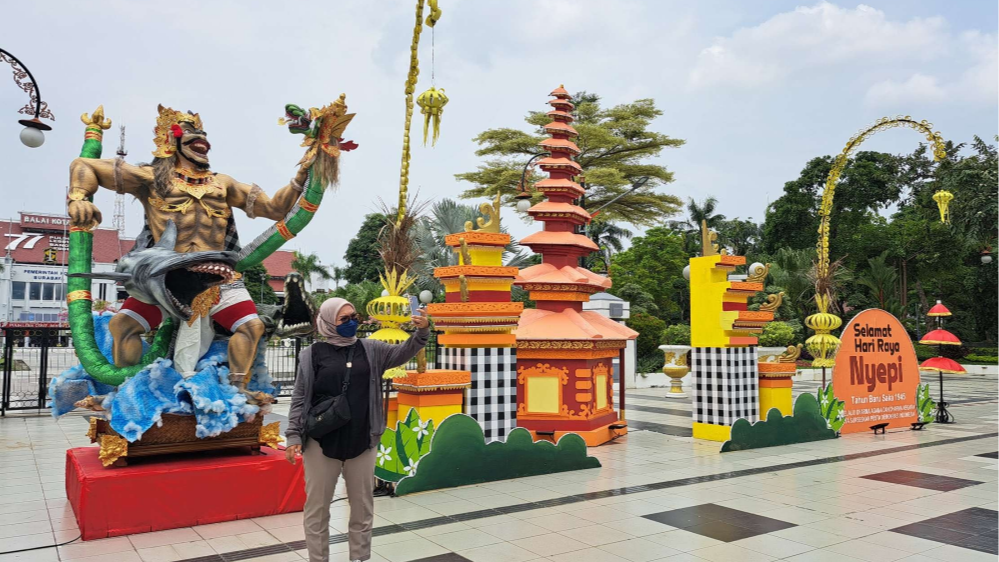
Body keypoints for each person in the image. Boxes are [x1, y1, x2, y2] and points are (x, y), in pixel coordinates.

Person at [285, 298, 429, 562]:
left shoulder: (371, 348)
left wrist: (421, 332)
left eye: (354, 317)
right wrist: (293, 434)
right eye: (344, 319)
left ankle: (360, 558)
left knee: (362, 508)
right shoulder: (312, 354)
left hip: (362, 439)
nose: (352, 323)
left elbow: (403, 352)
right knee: (317, 509)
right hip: (321, 443)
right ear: (328, 322)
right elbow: (300, 396)